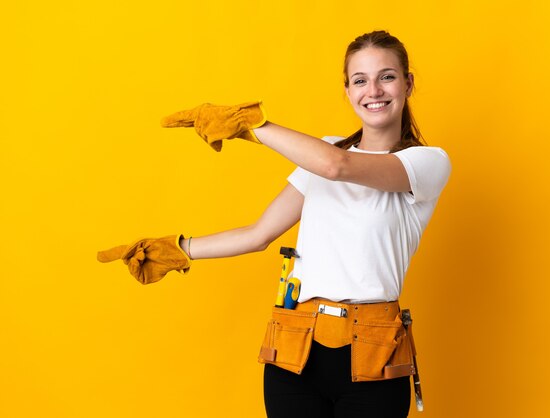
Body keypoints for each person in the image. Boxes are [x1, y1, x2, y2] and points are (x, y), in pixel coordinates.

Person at [98, 30, 450, 418]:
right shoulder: (325, 150)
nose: (374, 91)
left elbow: (337, 167)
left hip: (374, 356)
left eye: (387, 76)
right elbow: (258, 234)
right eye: (360, 80)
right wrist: (178, 249)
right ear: (348, 90)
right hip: (294, 347)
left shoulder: (426, 162)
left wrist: (249, 124)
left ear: (408, 83)